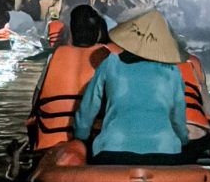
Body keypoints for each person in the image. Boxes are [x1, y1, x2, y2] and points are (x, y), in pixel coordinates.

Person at [73, 10, 189, 164]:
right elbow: (178, 120)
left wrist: (80, 137)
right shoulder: (173, 72)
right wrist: (183, 141)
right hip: (165, 152)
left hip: (112, 151)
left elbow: (87, 110)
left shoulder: (111, 62)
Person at [27, 5, 110, 150]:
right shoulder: (107, 58)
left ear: (71, 32)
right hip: (90, 144)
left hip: (50, 142)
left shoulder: (55, 57)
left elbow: (36, 101)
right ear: (97, 32)